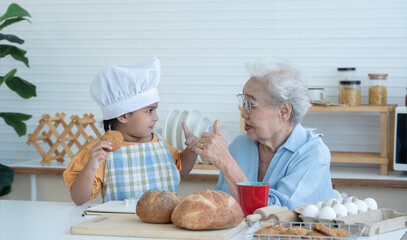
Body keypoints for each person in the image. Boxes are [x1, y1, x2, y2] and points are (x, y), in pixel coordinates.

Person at [195, 56, 334, 209]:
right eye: (243, 102)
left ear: (284, 111)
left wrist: (226, 163)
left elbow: (275, 216)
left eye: (251, 104)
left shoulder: (314, 156)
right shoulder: (239, 145)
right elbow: (225, 206)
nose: (243, 113)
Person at [63, 57, 199, 205]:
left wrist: (191, 151)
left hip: (163, 224)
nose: (156, 117)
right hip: (121, 226)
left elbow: (179, 172)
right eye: (149, 111)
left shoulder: (159, 143)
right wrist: (90, 167)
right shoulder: (102, 151)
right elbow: (78, 199)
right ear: (123, 115)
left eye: (155, 110)